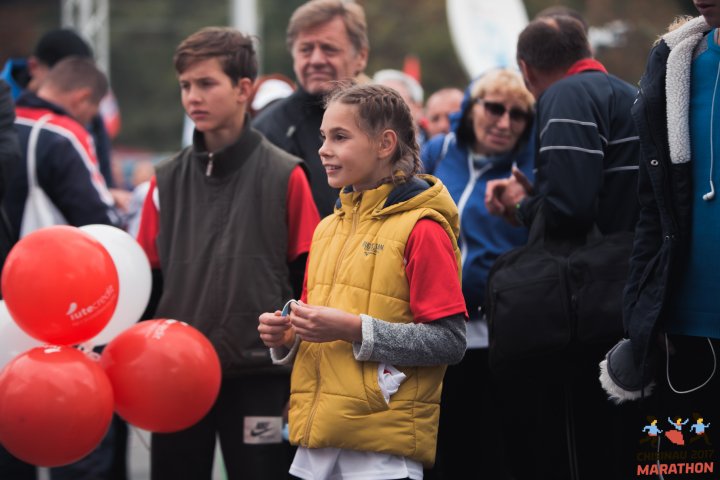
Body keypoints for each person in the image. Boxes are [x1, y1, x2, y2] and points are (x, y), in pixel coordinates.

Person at [135, 26, 320, 480]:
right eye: (185, 85)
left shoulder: (285, 175)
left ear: (243, 89)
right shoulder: (165, 181)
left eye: (206, 83)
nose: (192, 97)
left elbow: (310, 280)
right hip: (177, 378)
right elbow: (147, 282)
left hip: (260, 378)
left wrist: (299, 376)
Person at [258, 82, 467, 480]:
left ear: (385, 143)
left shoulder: (423, 229)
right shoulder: (325, 230)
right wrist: (286, 338)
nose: (323, 149)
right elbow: (314, 334)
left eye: (339, 137)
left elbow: (450, 341)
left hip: (382, 455)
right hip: (316, 444)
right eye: (323, 137)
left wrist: (354, 329)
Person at [484, 16, 640, 480]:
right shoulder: (629, 93)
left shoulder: (566, 95)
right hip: (629, 295)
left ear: (526, 70)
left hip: (590, 309)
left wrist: (523, 205)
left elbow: (570, 209)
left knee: (578, 449)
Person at [599, 2, 720, 471]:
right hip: (683, 330)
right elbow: (653, 206)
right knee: (681, 465)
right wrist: (642, 316)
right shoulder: (677, 60)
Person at [420, 68, 534, 480]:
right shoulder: (438, 150)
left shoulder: (528, 167)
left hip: (498, 335)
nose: (504, 122)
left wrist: (526, 202)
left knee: (491, 451)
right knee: (441, 450)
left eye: (518, 115)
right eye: (495, 108)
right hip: (435, 330)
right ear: (472, 109)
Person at [253, 0, 369, 218]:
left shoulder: (386, 124)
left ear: (361, 56)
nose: (316, 60)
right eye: (306, 49)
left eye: (329, 49)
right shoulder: (266, 131)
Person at [1, 28, 122, 200]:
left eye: (77, 77)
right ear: (34, 67)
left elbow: (101, 180)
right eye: (62, 75)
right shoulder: (5, 103)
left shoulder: (88, 113)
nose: (73, 90)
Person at [6, 56, 117, 236]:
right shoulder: (66, 135)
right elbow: (98, 220)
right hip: (38, 258)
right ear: (82, 98)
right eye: (93, 114)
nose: (90, 121)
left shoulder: (7, 121)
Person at [372, 68, 427, 144]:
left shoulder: (439, 149)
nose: (385, 107)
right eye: (378, 101)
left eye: (393, 101)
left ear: (418, 107)